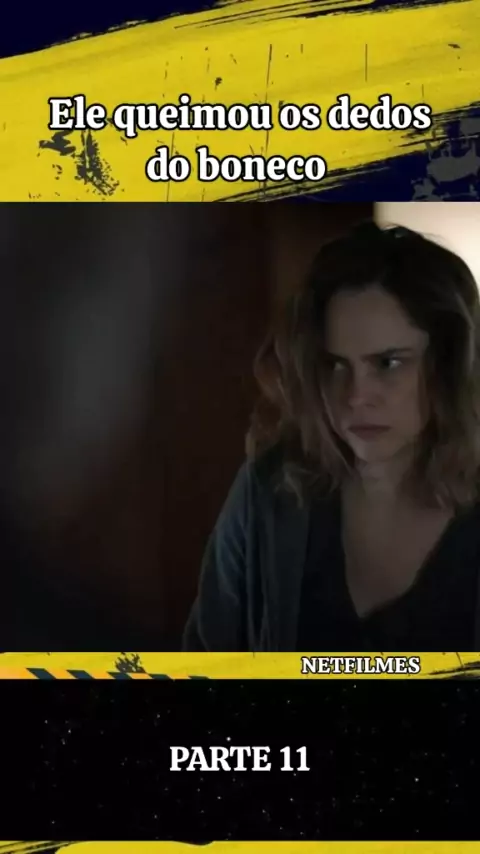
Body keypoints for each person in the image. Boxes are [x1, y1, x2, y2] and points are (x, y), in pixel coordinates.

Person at [183, 221, 480, 653]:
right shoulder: (272, 490)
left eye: (388, 363)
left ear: (447, 364)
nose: (356, 396)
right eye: (335, 365)